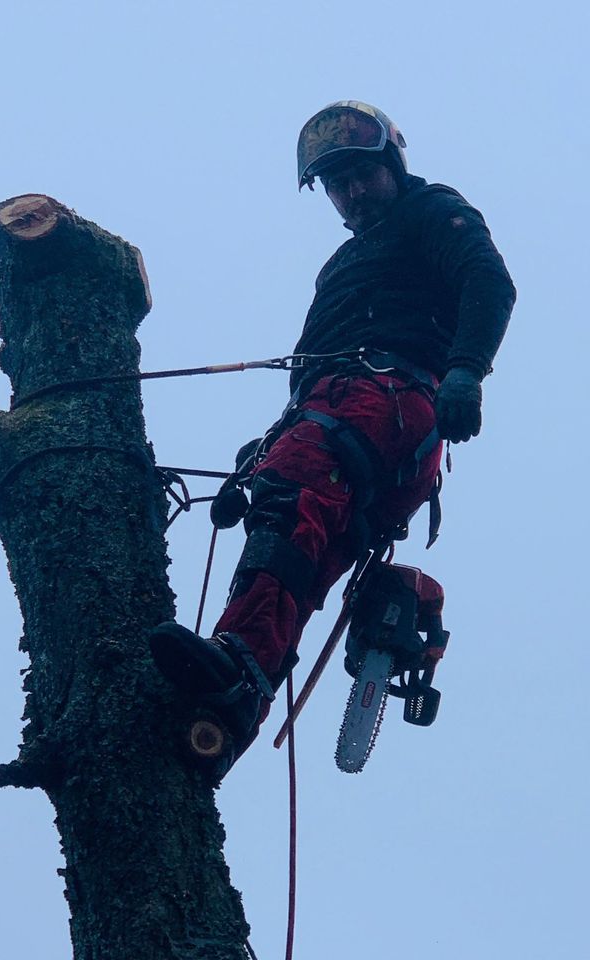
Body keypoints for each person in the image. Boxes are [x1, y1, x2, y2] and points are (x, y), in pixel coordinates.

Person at [150, 101, 516, 777]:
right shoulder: (340, 270)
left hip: (389, 402)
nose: (350, 194)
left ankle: (236, 657)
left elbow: (487, 282)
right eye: (335, 184)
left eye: (360, 176)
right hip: (346, 418)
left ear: (391, 166)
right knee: (300, 553)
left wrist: (466, 369)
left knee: (292, 509)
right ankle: (229, 711)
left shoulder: (431, 212)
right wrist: (264, 451)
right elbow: (309, 376)